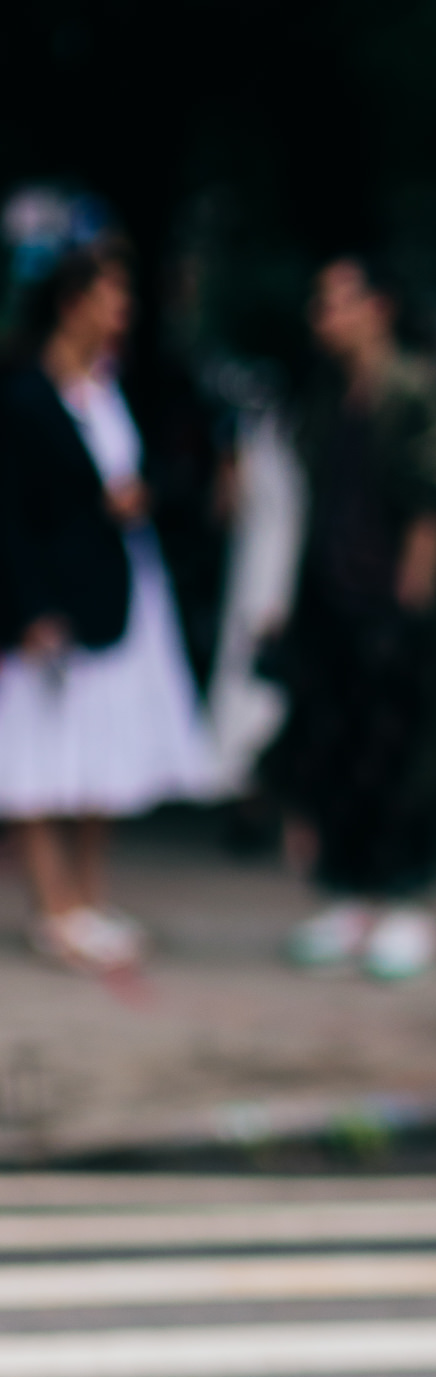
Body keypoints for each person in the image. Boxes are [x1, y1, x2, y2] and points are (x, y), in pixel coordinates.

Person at [0, 198, 218, 971]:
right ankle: (53, 906)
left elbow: (141, 474)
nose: (122, 311)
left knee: (98, 754)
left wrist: (138, 493)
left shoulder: (112, 389)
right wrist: (29, 609)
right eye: (110, 295)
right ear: (72, 302)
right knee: (36, 756)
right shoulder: (23, 395)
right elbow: (12, 514)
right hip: (52, 603)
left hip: (118, 594)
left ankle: (87, 899)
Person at [265, 256, 436, 981]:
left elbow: (428, 501)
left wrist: (406, 607)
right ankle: (351, 899)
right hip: (330, 601)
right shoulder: (326, 396)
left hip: (390, 607)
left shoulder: (411, 387)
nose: (325, 316)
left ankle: (405, 904)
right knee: (335, 747)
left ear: (378, 306)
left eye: (338, 301)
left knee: (400, 751)